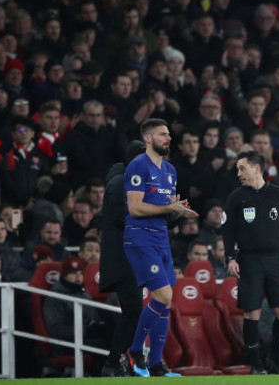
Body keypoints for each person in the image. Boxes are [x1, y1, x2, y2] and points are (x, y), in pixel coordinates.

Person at [124, 119, 198, 377]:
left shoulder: (170, 170)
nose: (168, 138)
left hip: (161, 238)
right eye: (162, 135)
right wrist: (170, 208)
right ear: (147, 138)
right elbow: (134, 207)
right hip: (140, 239)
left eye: (169, 134)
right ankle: (135, 350)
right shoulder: (137, 166)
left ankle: (156, 365)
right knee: (163, 295)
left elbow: (165, 212)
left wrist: (178, 213)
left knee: (166, 304)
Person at [222, 150, 279, 375]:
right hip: (250, 260)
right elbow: (227, 230)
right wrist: (231, 257)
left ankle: (275, 360)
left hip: (277, 259)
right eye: (238, 169)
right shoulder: (237, 197)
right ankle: (256, 365)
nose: (239, 173)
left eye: (242, 168)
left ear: (257, 168)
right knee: (252, 314)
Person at [99, 140, 148, 376]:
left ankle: (116, 361)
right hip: (122, 259)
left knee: (133, 313)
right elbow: (121, 218)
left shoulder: (128, 181)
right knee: (133, 312)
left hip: (130, 259)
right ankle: (114, 361)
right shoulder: (120, 183)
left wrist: (174, 214)